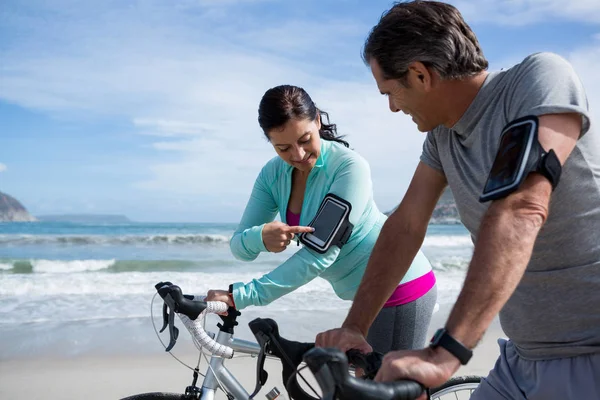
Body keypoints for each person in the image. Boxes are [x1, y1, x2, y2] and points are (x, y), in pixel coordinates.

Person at [315, 1, 600, 398]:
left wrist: (444, 354)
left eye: (391, 92)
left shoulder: (540, 78)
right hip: (520, 358)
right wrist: (355, 326)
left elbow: (523, 207)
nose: (393, 106)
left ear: (419, 74)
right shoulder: (443, 137)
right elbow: (406, 225)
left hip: (589, 355)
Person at [206, 84, 437, 354]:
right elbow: (239, 248)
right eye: (283, 148)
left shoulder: (349, 168)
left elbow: (319, 255)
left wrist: (240, 297)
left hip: (400, 287)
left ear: (317, 120)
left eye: (305, 140)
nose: (298, 155)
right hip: (362, 299)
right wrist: (260, 238)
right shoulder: (272, 175)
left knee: (387, 391)